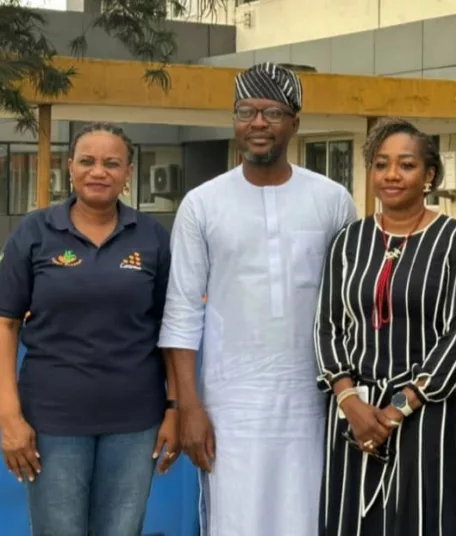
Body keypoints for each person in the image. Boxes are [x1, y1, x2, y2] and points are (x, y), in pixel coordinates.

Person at [158, 62, 357, 535]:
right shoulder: (202, 203)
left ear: (295, 123)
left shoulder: (332, 200)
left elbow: (350, 302)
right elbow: (182, 310)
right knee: (234, 521)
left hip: (314, 401)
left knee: (308, 519)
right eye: (245, 111)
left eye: (271, 112)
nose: (258, 123)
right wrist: (189, 405)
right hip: (230, 404)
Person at [0, 122, 179, 536]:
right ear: (70, 167)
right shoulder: (35, 231)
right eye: (88, 161)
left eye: (112, 163)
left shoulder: (151, 237)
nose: (99, 171)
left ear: (128, 173)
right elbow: (6, 323)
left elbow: (169, 328)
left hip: (135, 423)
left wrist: (173, 408)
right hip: (52, 421)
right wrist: (9, 414)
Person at [315, 117, 456, 536]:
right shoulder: (348, 241)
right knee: (351, 520)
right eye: (381, 164)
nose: (391, 175)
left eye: (406, 165)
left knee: (426, 518)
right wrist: (349, 401)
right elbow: (327, 326)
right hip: (353, 416)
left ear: (428, 176)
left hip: (427, 414)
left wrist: (400, 407)